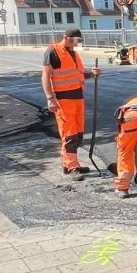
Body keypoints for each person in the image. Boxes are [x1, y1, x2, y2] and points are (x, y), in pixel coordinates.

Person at [41, 28, 100, 182]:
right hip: (63, 101)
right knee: (69, 135)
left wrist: (90, 74)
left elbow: (76, 74)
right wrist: (50, 98)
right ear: (66, 37)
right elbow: (46, 76)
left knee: (78, 134)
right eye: (75, 42)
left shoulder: (73, 52)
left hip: (78, 98)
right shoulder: (52, 51)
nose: (77, 45)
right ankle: (72, 166)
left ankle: (70, 164)